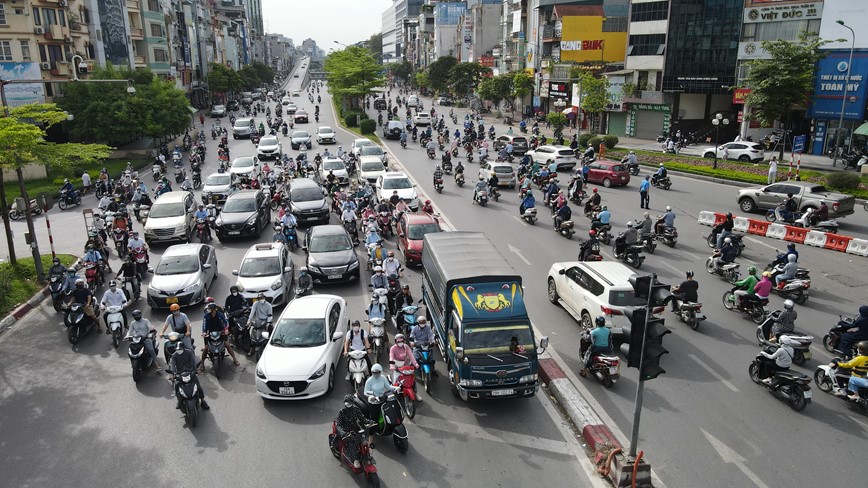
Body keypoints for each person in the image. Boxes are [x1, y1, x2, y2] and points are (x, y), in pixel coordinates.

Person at [169, 337, 210, 410]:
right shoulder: (174, 355)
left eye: (180, 349)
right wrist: (173, 374)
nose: (179, 351)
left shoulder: (189, 352)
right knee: (176, 386)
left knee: (198, 385)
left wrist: (197, 369)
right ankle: (179, 401)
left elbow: (193, 362)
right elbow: (173, 365)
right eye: (177, 349)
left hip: (190, 372)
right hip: (180, 374)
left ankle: (203, 401)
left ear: (183, 348)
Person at [198, 302, 240, 370]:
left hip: (220, 332)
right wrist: (204, 332)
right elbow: (204, 325)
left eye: (209, 309)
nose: (208, 310)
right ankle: (202, 364)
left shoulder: (220, 315)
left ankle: (235, 359)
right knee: (206, 348)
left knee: (227, 345)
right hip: (210, 332)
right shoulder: (206, 316)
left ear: (214, 309)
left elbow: (226, 322)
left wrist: (226, 329)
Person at [335, 394, 368, 468]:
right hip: (346, 431)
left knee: (363, 439)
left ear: (352, 402)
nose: (348, 403)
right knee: (351, 442)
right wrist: (343, 433)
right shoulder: (342, 412)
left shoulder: (356, 409)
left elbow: (362, 418)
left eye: (349, 402)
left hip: (355, 428)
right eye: (347, 402)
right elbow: (338, 425)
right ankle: (355, 459)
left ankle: (366, 454)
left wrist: (369, 422)